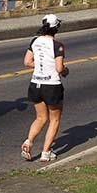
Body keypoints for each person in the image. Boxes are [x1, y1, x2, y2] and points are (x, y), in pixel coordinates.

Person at [21, 14, 68, 162]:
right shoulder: (57, 45)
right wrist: (65, 70)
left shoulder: (34, 41)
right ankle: (45, 152)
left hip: (36, 83)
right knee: (54, 119)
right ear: (56, 28)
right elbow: (59, 68)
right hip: (52, 85)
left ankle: (28, 142)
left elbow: (27, 62)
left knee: (40, 118)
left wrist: (41, 65)